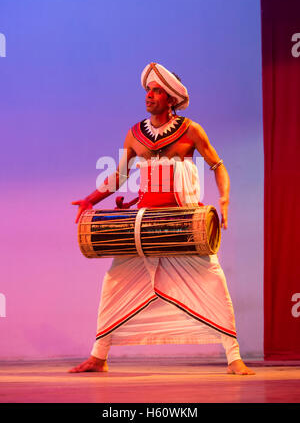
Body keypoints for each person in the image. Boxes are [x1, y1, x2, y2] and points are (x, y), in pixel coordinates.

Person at [69, 62, 255, 375]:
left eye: (157, 91)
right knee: (114, 284)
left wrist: (224, 199)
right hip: (145, 225)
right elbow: (119, 175)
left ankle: (233, 356)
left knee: (213, 281)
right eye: (148, 90)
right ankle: (98, 356)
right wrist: (90, 198)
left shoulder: (191, 130)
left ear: (171, 99)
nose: (149, 96)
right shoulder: (134, 134)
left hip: (182, 223)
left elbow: (217, 165)